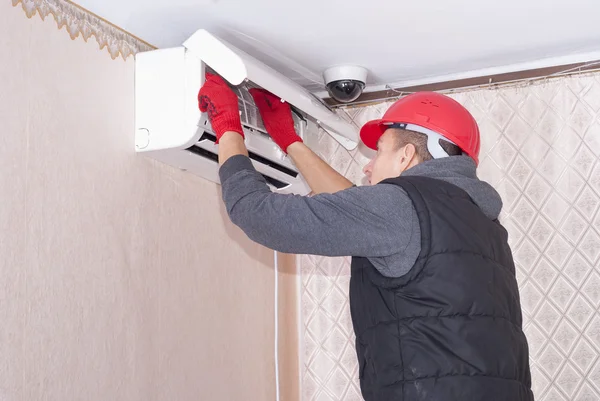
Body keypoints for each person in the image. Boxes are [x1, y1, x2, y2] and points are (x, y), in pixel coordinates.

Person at [198, 72, 533, 401]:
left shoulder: (400, 208)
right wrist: (291, 142)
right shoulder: (482, 224)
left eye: (380, 152)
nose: (368, 167)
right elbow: (361, 214)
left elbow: (256, 213)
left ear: (406, 156)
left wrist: (227, 127)